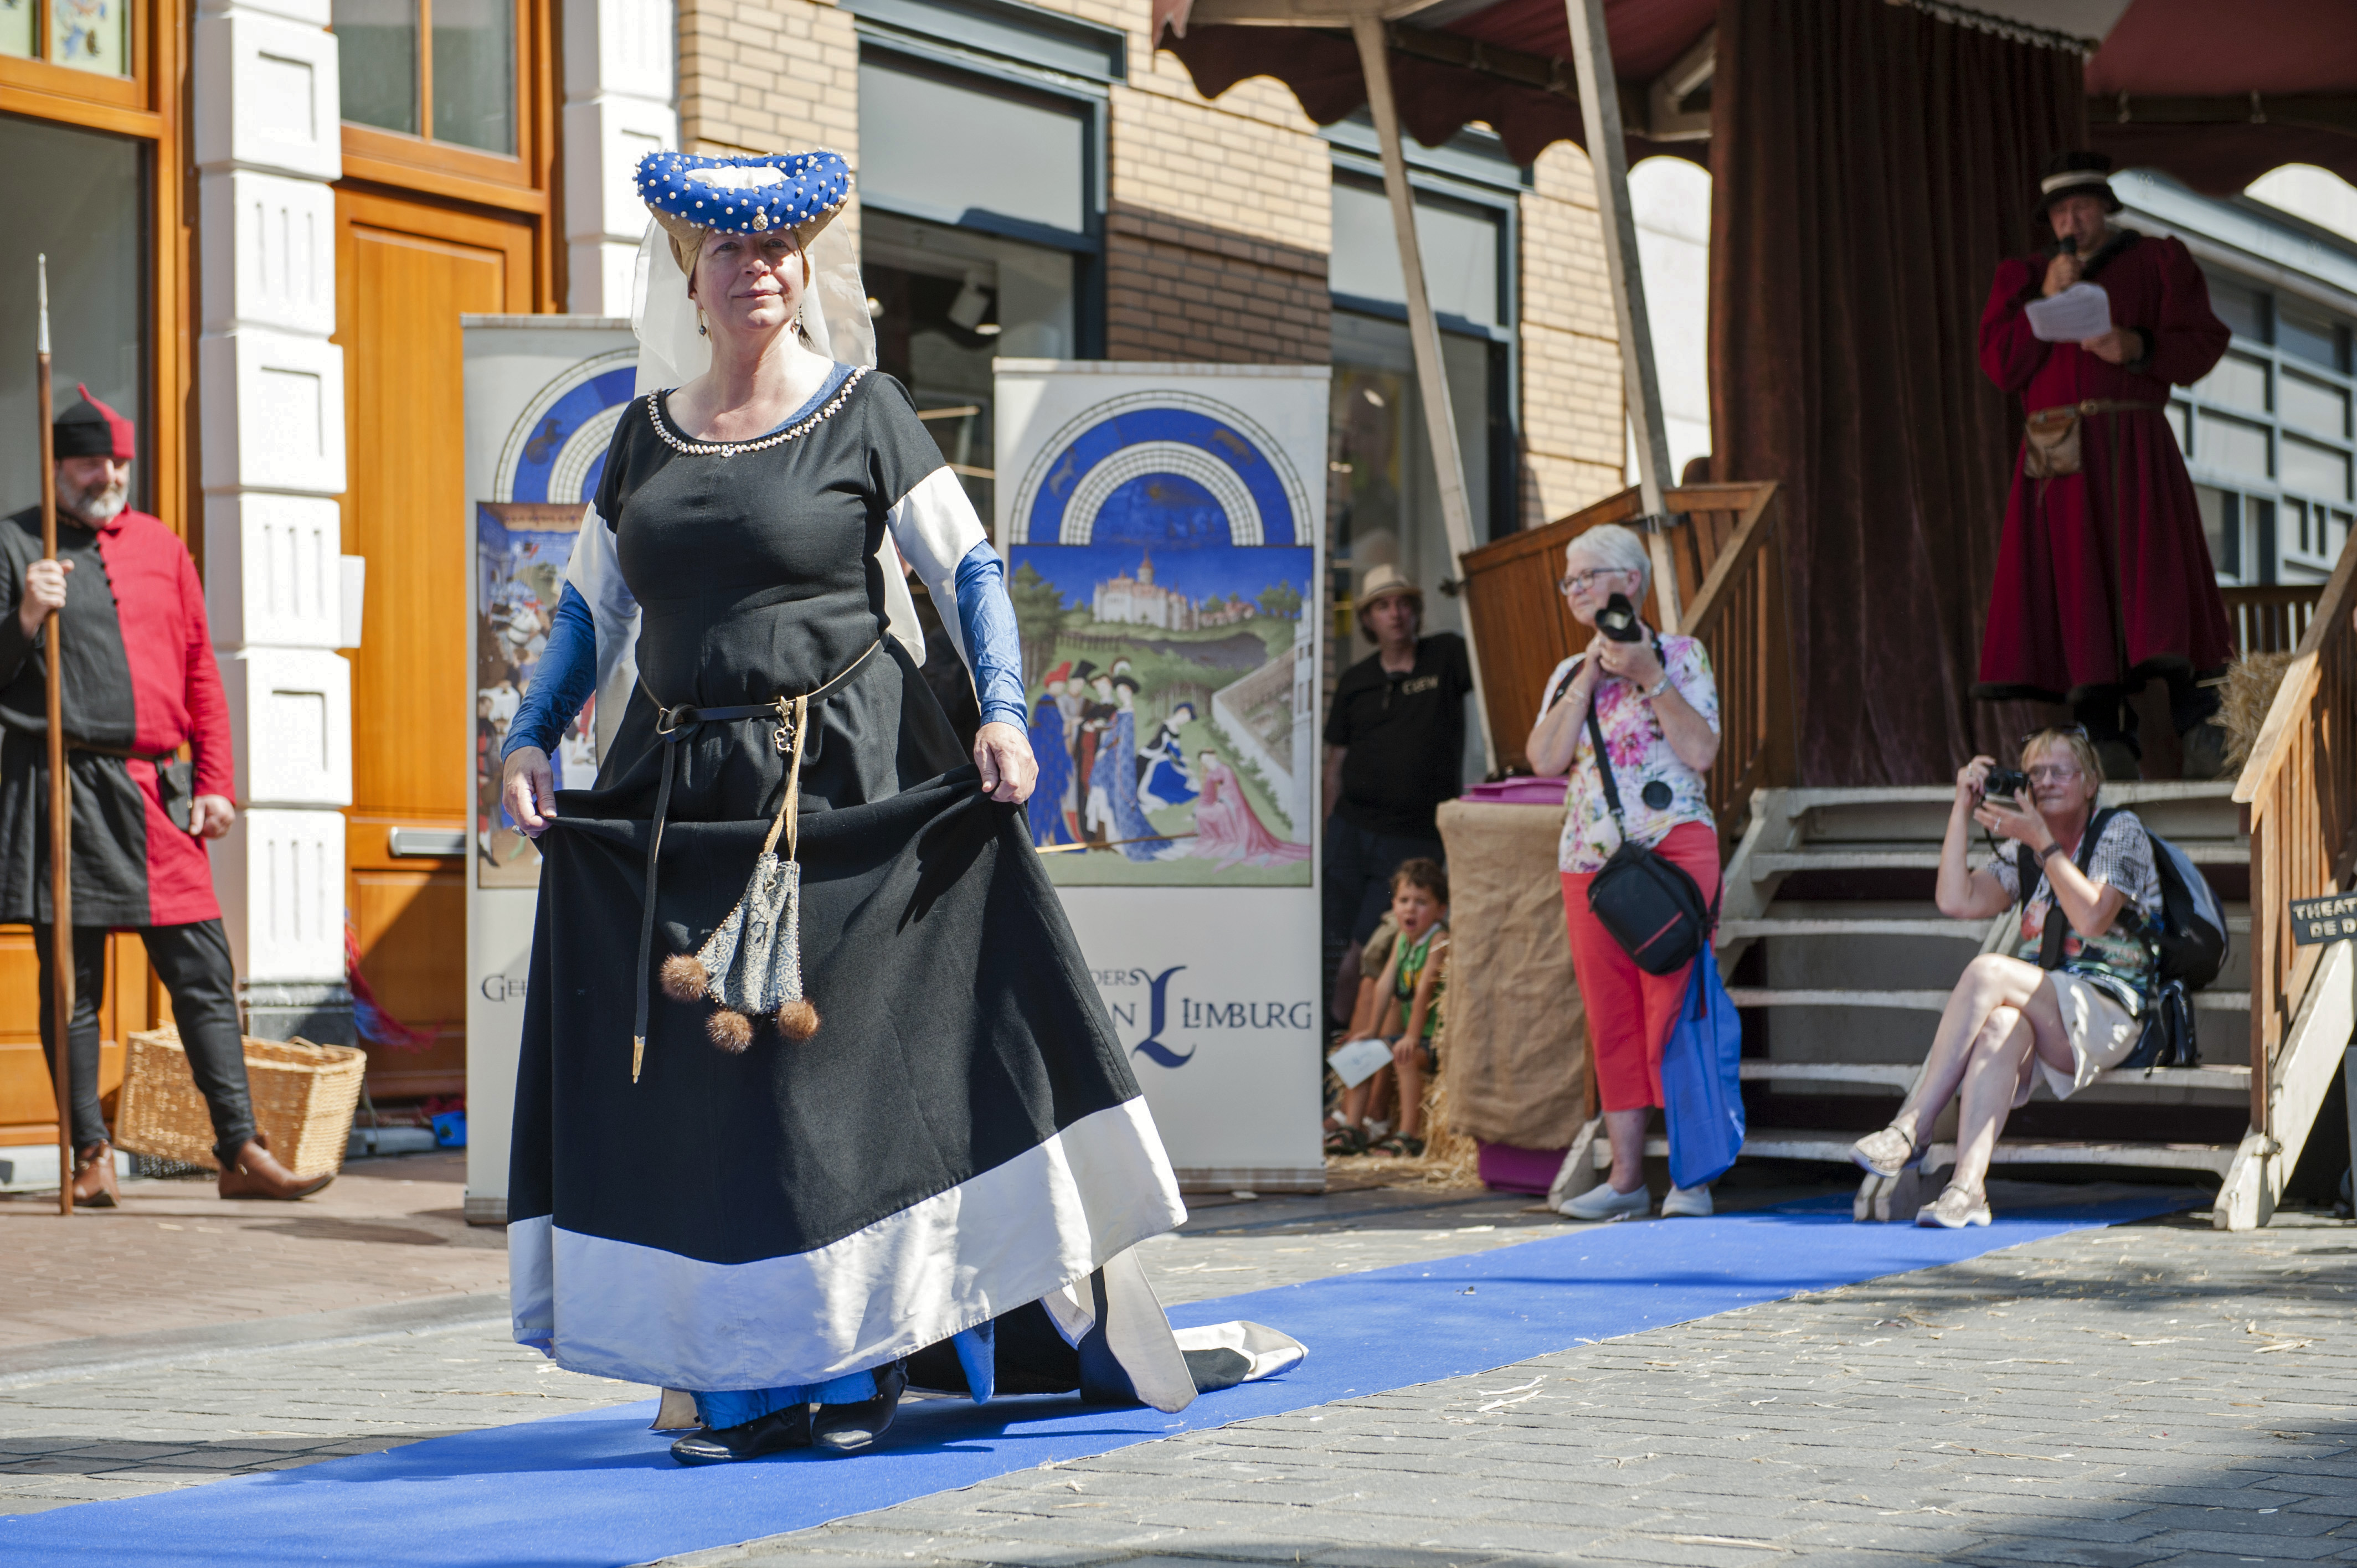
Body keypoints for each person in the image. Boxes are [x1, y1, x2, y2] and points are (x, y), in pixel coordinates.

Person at [497, 148, 1299, 1466]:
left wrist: (1001, 708)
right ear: (690, 279)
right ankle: (743, 1380)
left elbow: (967, 566)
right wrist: (531, 735)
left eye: (776, 249)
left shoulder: (863, 411)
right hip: (686, 802)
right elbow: (593, 611)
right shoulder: (640, 438)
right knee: (718, 1089)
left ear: (803, 270)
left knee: (837, 1081)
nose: (755, 269)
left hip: (850, 787)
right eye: (727, 251)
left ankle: (858, 1362)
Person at [0, 388, 330, 1205]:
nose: (108, 476)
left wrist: (216, 783)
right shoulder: (16, 544)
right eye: (91, 463)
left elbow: (199, 672)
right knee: (72, 987)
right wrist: (27, 615)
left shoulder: (163, 546)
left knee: (204, 972)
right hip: (61, 787)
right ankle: (90, 1156)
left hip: (156, 790)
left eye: (118, 462)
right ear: (58, 466)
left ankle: (239, 1151)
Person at [1974, 150, 2235, 782]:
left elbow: (2203, 341)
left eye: (2082, 207)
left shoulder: (2154, 262)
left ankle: (2202, 729)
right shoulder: (2026, 277)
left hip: (2132, 444)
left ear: (2104, 208)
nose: (2072, 221)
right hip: (2058, 456)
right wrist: (2043, 299)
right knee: (2076, 585)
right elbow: (2001, 365)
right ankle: (2103, 739)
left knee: (2160, 580)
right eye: (2061, 211)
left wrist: (2136, 346)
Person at [1852, 727, 2159, 1228]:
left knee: (1987, 970)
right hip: (2050, 1008)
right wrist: (1962, 807)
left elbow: (2092, 919)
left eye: (2061, 771)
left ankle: (1914, 1126)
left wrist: (2043, 843)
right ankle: (1967, 1188)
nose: (2047, 781)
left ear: (2090, 783)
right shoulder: (2024, 849)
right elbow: (1957, 900)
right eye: (2035, 772)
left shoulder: (2118, 830)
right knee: (1999, 1025)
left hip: (2109, 1010)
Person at [1525, 524, 1722, 1221]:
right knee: (1610, 1019)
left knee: (1675, 1010)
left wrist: (1647, 675)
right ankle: (1626, 1180)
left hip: (1672, 850)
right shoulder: (1566, 671)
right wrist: (1587, 678)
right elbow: (1544, 760)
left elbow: (1700, 751)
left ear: (1629, 582)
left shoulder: (1680, 654)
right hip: (1590, 862)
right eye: (1569, 581)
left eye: (1587, 576)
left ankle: (1692, 1178)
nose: (1575, 590)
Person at [1320, 564, 1474, 1013]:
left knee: (1371, 948)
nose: (1395, 614)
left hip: (1412, 837)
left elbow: (1493, 654)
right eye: (1384, 606)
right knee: (1335, 942)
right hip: (1351, 832)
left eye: (1404, 604)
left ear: (1416, 611)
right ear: (1368, 619)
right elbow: (1336, 764)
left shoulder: (1446, 656)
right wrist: (1330, 833)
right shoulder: (1356, 680)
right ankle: (1340, 1039)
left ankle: (1352, 1038)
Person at [1327, 859, 1449, 1158]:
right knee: (1363, 1053)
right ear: (1393, 905)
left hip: (1433, 1040)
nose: (1410, 909)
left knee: (1404, 1058)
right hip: (1411, 1036)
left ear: (1440, 910)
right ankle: (1353, 1127)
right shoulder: (1402, 940)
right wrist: (1371, 1030)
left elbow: (1424, 992)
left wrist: (1411, 1036)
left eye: (1421, 902)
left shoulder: (1438, 940)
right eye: (1404, 901)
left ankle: (1409, 1135)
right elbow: (1385, 985)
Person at [1192, 748, 1309, 869]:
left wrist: (1222, 801)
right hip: (1221, 802)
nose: (1208, 763)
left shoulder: (1225, 769)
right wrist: (1202, 805)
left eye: (1209, 760)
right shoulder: (1211, 774)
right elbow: (1208, 794)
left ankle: (1233, 840)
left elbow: (1231, 788)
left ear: (1214, 756)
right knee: (1202, 812)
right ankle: (1219, 837)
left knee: (1221, 811)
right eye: (1205, 762)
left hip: (1233, 803)